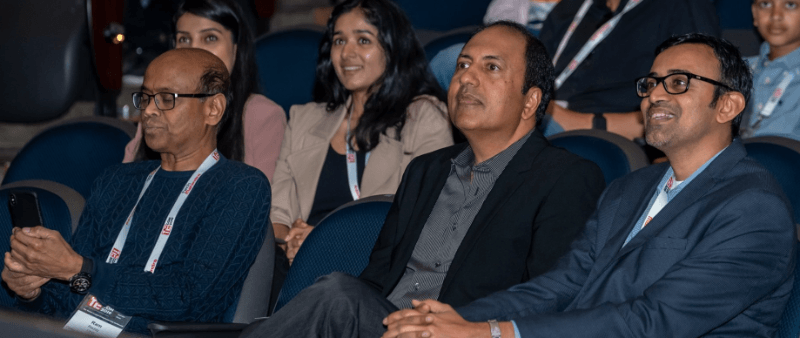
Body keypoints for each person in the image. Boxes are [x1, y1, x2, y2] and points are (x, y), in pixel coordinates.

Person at [382, 33, 796, 338]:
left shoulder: (752, 208)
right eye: (651, 83)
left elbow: (651, 321)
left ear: (728, 105)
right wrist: (451, 318)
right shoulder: (630, 189)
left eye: (679, 82)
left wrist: (494, 333)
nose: (655, 96)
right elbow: (558, 286)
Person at [240, 21, 606, 338]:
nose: (466, 77)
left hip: (460, 331)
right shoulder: (426, 170)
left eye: (491, 67)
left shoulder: (565, 177)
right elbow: (376, 280)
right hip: (384, 324)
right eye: (463, 64)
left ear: (530, 102)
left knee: (337, 295)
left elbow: (551, 296)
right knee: (338, 298)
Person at [2, 49, 273, 335]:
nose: (149, 110)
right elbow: (73, 293)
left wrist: (80, 268)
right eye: (145, 97)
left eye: (167, 99)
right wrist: (31, 294)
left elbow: (190, 298)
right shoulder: (116, 180)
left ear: (213, 109)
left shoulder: (240, 186)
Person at [272, 0, 454, 262]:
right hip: (293, 263)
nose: (347, 53)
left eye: (363, 41)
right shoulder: (303, 118)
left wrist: (323, 241)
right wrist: (287, 244)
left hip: (371, 267)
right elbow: (278, 213)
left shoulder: (423, 117)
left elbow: (422, 217)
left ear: (393, 48)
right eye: (339, 41)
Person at [124, 0, 287, 181]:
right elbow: (124, 190)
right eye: (184, 39)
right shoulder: (155, 109)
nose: (195, 50)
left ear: (236, 48)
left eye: (210, 38)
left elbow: (264, 203)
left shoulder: (263, 116)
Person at [539, 0, 720, 140]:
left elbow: (696, 113)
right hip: (545, 129)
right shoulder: (569, 9)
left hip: (612, 146)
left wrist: (576, 123)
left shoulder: (681, 6)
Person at [740, 0, 800, 140]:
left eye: (790, 5)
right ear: (755, 13)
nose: (775, 15)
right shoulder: (733, 69)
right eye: (765, 4)